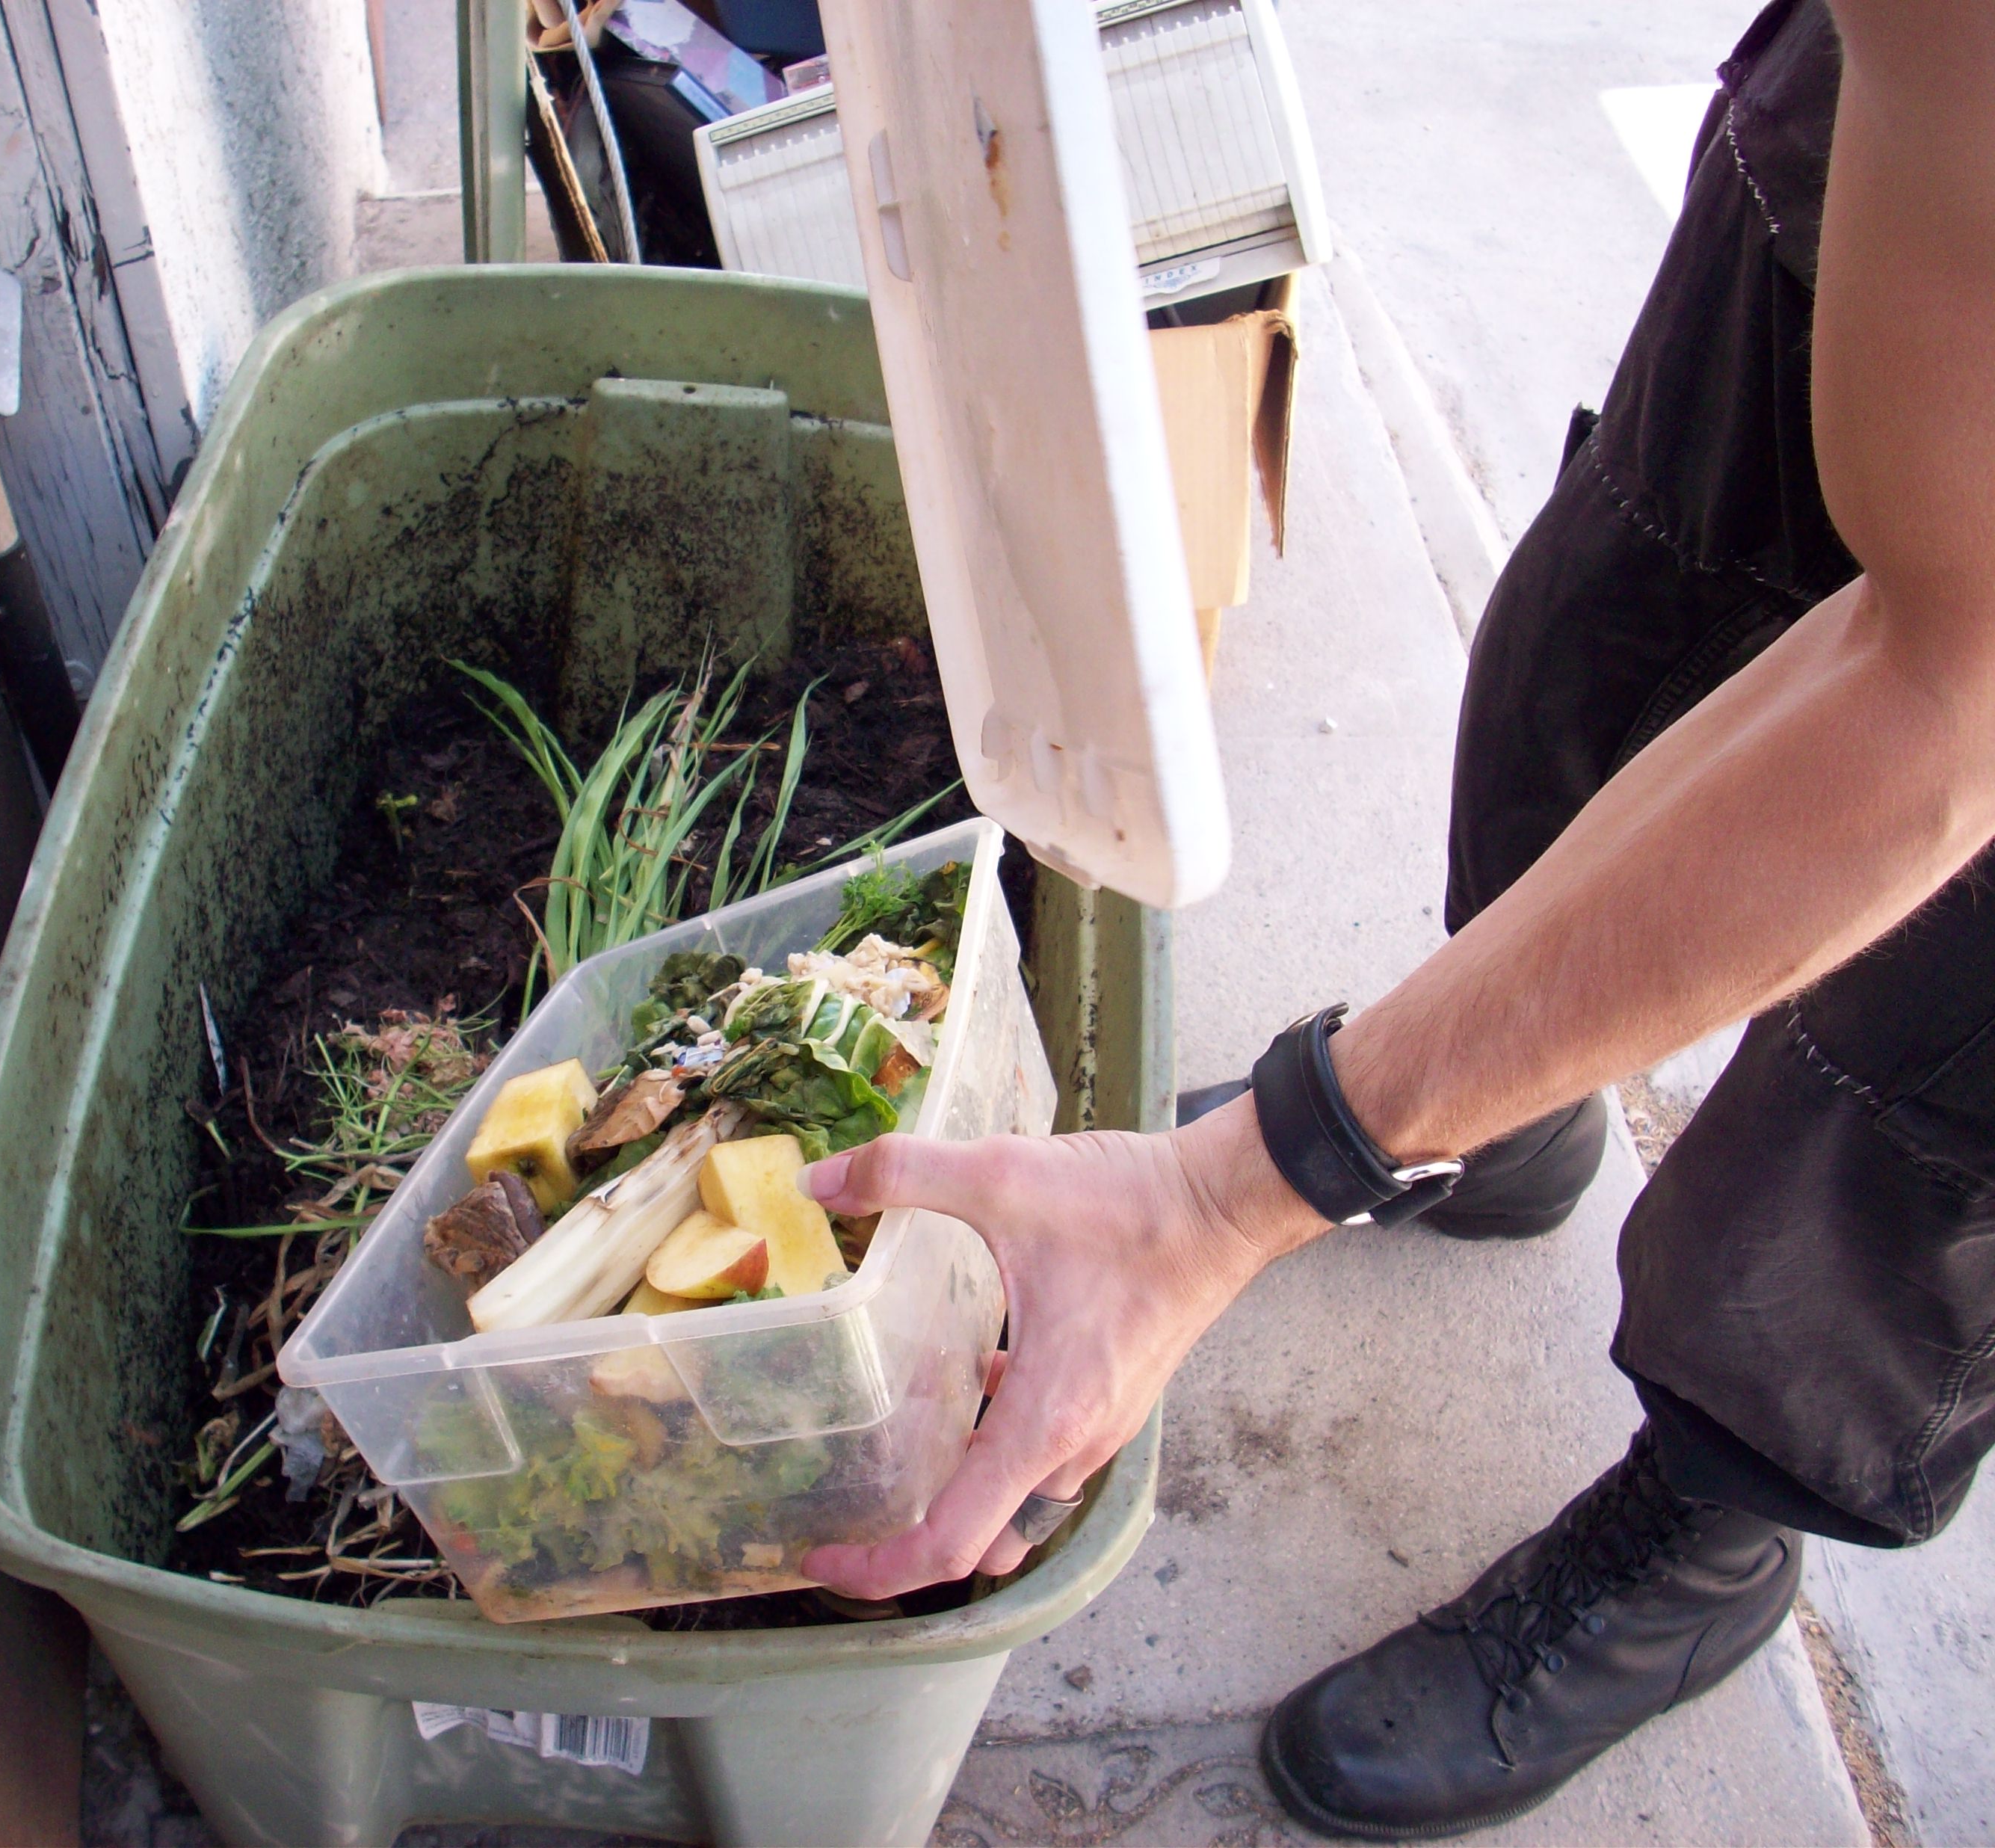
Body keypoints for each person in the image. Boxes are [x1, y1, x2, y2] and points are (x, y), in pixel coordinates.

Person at [794, 0, 1995, 1837]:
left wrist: (1239, 1189)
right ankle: (1482, 1119)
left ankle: (1717, 1526)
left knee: (1927, 1041)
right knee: (1624, 624)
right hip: (1897, 106)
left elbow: (1938, 707)